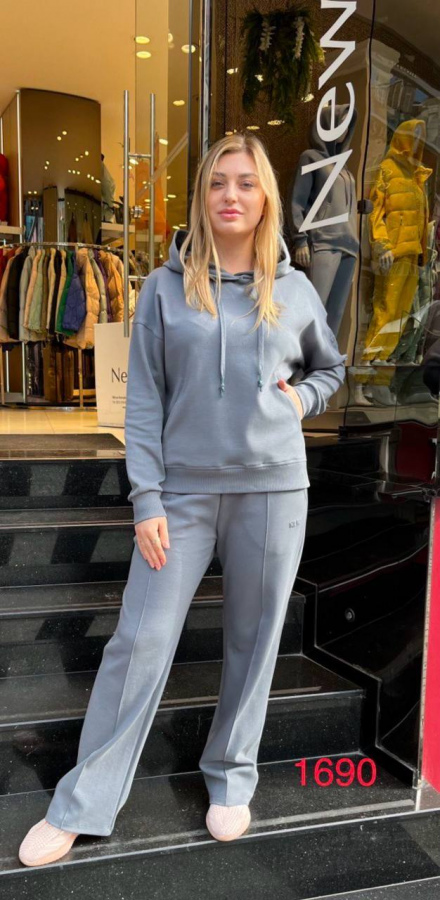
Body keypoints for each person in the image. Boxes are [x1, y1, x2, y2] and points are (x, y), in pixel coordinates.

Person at [18, 131, 347, 867]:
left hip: (273, 491)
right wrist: (147, 499)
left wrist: (299, 401)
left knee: (254, 641)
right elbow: (144, 403)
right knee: (139, 642)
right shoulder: (165, 290)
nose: (232, 194)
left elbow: (331, 370)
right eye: (218, 182)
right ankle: (82, 801)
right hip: (184, 496)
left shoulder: (293, 290)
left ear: (265, 198)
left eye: (246, 182)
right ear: (202, 196)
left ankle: (231, 776)